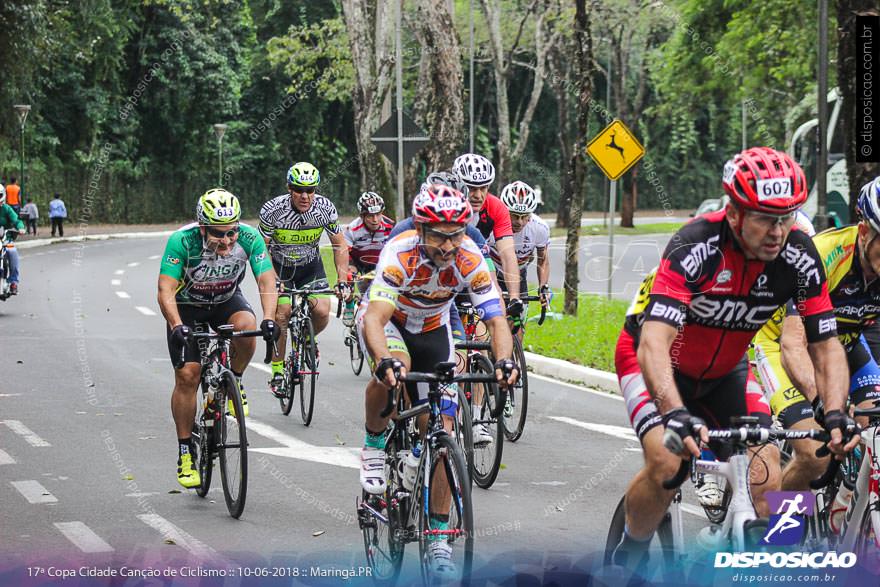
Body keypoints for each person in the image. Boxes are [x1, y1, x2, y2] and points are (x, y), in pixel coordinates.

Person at [611, 147, 859, 570]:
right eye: (765, 217)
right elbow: (654, 340)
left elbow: (825, 343)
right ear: (734, 213)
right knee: (669, 463)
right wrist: (673, 411)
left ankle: (765, 562)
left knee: (767, 481)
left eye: (786, 217)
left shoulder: (799, 255)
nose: (777, 231)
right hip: (652, 361)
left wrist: (833, 412)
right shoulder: (695, 244)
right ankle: (626, 555)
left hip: (727, 371)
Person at [359, 183, 518, 577]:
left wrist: (503, 362)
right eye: (439, 237)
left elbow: (496, 318)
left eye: (456, 235)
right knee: (395, 369)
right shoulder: (400, 252)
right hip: (392, 323)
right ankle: (375, 445)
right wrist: (381, 361)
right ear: (421, 229)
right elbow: (376, 318)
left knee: (443, 429)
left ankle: (439, 538)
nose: (448, 246)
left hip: (433, 326)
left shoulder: (470, 257)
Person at [754, 175, 880, 530]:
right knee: (813, 451)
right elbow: (794, 344)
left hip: (845, 346)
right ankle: (783, 539)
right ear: (865, 230)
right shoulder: (824, 256)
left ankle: (843, 510)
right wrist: (824, 405)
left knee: (874, 427)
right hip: (782, 344)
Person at [157, 188, 278, 488]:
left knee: (248, 326)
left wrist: (270, 319)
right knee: (188, 375)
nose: (226, 241)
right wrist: (175, 326)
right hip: (188, 307)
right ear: (202, 228)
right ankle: (185, 450)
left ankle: (234, 379)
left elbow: (266, 279)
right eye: (218, 234)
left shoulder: (249, 238)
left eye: (232, 233)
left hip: (225, 299)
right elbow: (165, 290)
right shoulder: (182, 241)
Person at [260, 162, 350, 396]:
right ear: (289, 188)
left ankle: (308, 340)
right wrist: (273, 279)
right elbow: (262, 250)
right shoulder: (273, 210)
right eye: (299, 189)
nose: (305, 195)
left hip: (310, 266)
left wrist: (342, 280)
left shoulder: (324, 208)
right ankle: (278, 371)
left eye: (310, 190)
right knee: (282, 313)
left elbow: (339, 244)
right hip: (280, 268)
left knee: (321, 311)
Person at [453, 153, 524, 325]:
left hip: (478, 258)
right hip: (448, 262)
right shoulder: (447, 205)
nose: (478, 195)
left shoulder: (496, 207)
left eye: (483, 188)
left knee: (495, 293)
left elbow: (508, 255)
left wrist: (514, 298)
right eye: (471, 188)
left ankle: (497, 345)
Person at [491, 180, 552, 330]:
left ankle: (516, 350)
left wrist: (543, 286)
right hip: (492, 271)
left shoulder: (539, 228)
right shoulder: (491, 224)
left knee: (517, 326)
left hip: (518, 274)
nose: (519, 222)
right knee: (490, 321)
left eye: (525, 216)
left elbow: (543, 260)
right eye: (514, 215)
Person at [341, 192, 395, 324]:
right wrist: (350, 274)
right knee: (348, 273)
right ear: (362, 216)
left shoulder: (391, 226)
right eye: (371, 216)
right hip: (358, 261)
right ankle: (349, 304)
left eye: (378, 214)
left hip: (380, 262)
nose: (375, 219)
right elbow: (344, 254)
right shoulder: (352, 229)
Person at [0, 185, 24, 295]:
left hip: (5, 239)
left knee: (12, 252)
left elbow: (17, 220)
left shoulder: (7, 209)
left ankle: (13, 281)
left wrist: (21, 228)